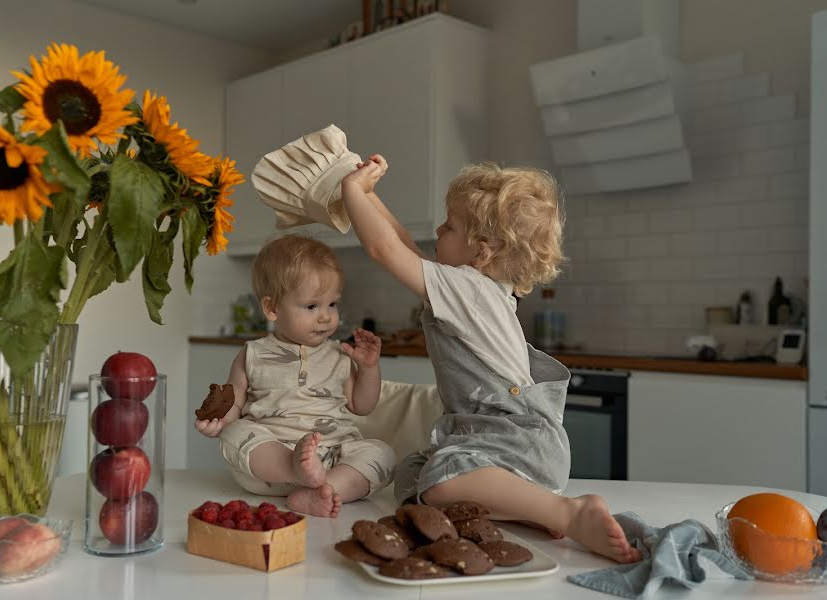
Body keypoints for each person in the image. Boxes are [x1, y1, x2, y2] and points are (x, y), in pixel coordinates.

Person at [341, 156, 641, 563]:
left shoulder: (471, 291)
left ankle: (568, 512)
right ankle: (528, 509)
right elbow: (405, 247)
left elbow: (385, 249)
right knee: (414, 478)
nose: (437, 231)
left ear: (480, 253)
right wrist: (371, 197)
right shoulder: (476, 288)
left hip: (513, 439)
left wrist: (352, 192)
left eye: (449, 226)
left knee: (441, 483)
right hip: (501, 441)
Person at [194, 235, 395, 518]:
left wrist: (370, 369)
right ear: (272, 308)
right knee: (233, 434)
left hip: (331, 458)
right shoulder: (252, 354)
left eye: (332, 304)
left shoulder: (340, 355)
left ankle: (321, 492)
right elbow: (234, 406)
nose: (325, 317)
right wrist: (218, 423)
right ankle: (297, 470)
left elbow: (363, 405)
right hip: (271, 467)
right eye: (312, 306)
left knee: (383, 453)